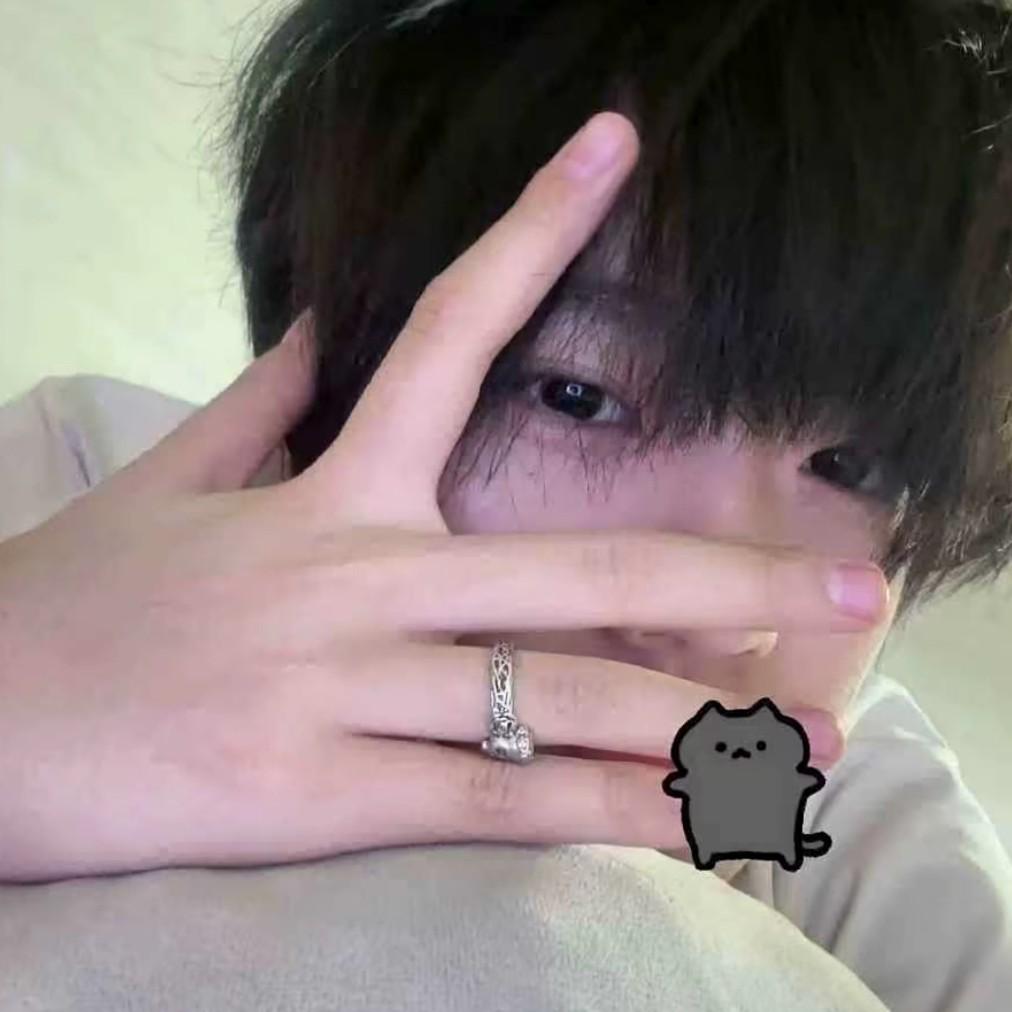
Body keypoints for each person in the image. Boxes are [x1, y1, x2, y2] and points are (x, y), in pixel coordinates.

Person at [0, 0, 1011, 1009]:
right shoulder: (82, 494)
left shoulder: (864, 815)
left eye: (852, 468)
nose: (723, 617)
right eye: (578, 395)